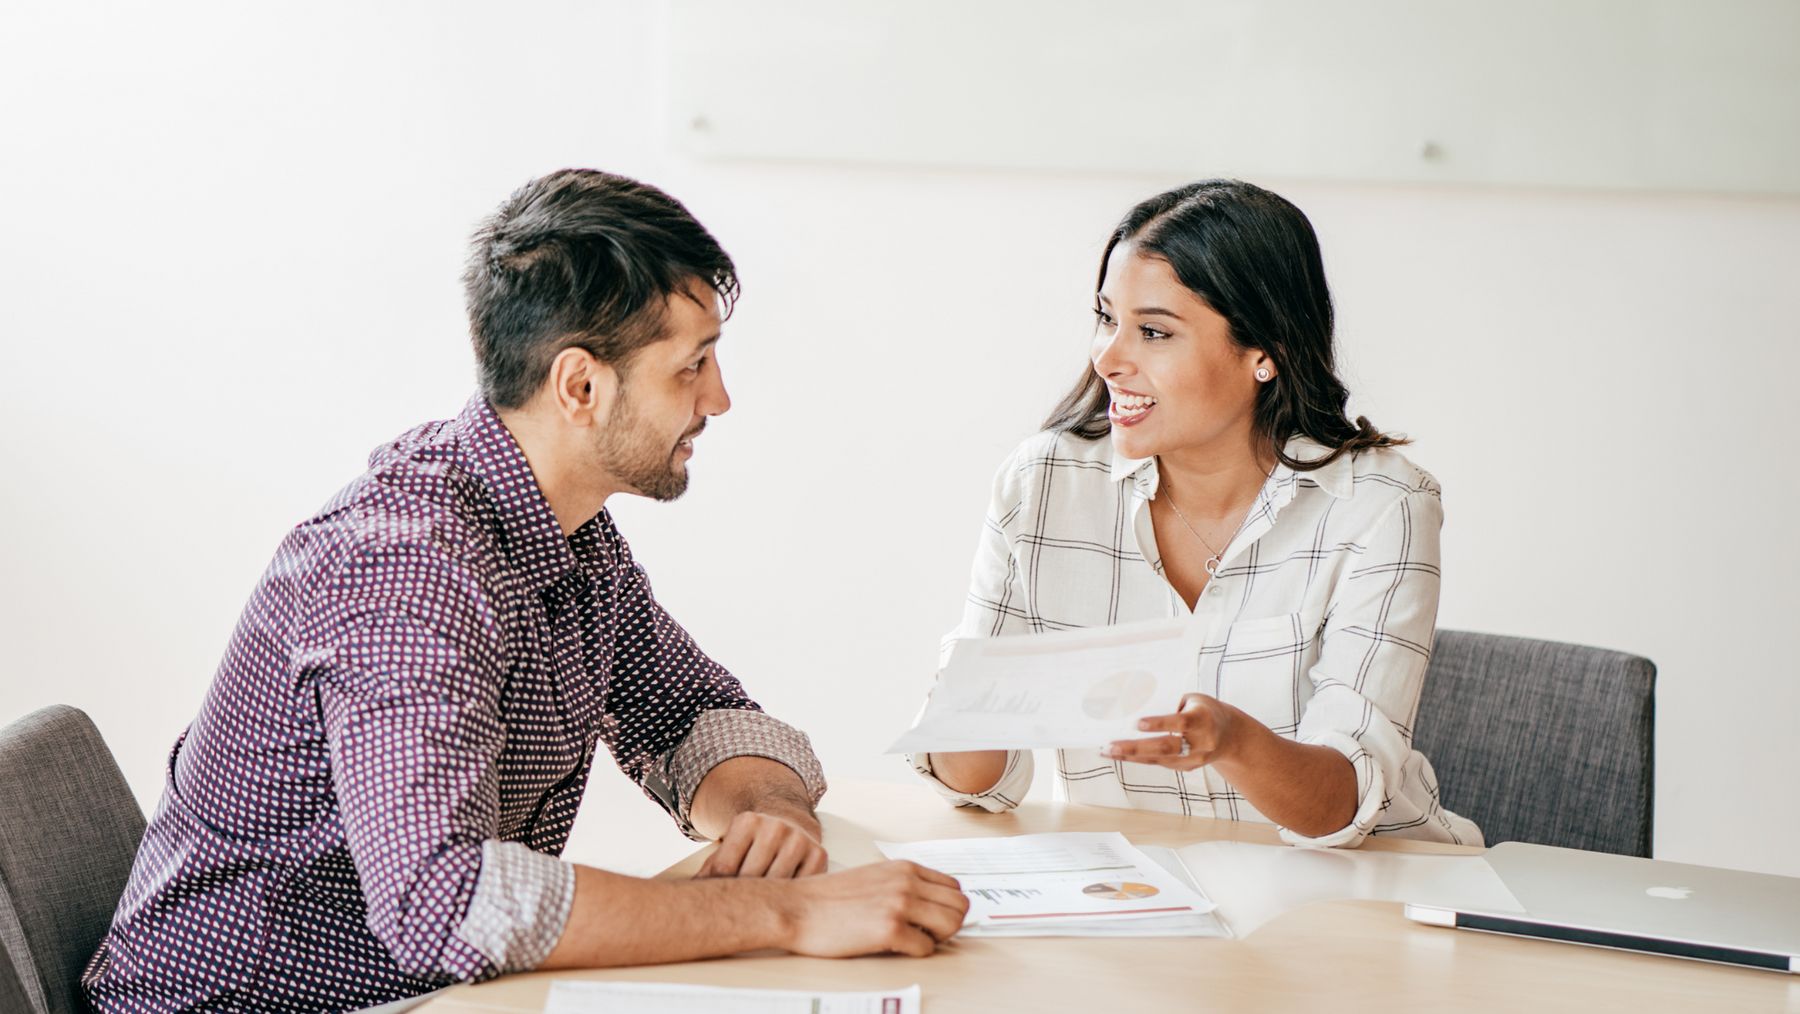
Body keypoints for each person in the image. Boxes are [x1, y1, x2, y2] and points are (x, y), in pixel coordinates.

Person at [85, 170, 968, 1013]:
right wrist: (789, 913)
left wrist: (769, 814)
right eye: (692, 366)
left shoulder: (565, 531)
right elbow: (443, 900)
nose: (720, 399)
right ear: (580, 385)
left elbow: (696, 716)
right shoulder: (407, 571)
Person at [911, 180, 1480, 849]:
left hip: (1370, 885)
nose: (1108, 358)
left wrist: (1231, 741)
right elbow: (978, 784)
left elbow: (1340, 806)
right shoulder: (1044, 482)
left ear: (1264, 352)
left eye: (1153, 332)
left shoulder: (1382, 506)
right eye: (1106, 319)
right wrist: (969, 705)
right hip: (1145, 895)